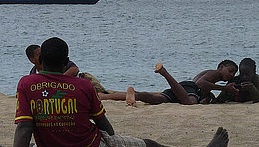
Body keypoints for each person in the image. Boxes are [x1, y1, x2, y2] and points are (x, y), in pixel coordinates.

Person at [0, 37, 229, 147]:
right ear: (66, 61)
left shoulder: (26, 84)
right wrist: (111, 139)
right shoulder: (83, 85)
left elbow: (24, 128)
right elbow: (104, 125)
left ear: (40, 61)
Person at [99, 60, 238, 106]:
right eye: (230, 70)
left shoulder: (213, 76)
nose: (231, 74)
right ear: (221, 67)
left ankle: (136, 95)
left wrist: (209, 97)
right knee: (189, 103)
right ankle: (164, 72)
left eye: (233, 73)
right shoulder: (214, 73)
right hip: (190, 87)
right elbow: (201, 84)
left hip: (182, 89)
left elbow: (205, 89)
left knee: (158, 99)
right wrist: (225, 88)